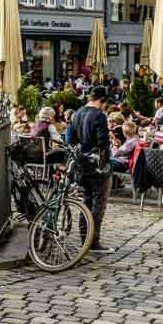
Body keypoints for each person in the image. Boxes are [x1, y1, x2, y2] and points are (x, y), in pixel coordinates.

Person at [64, 86, 113, 254]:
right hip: (96, 166)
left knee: (86, 201)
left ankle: (84, 237)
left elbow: (69, 139)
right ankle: (93, 241)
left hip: (81, 165)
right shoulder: (99, 116)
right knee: (98, 203)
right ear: (102, 100)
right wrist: (106, 162)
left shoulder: (76, 113)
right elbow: (103, 143)